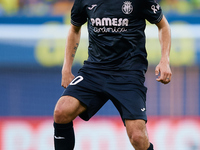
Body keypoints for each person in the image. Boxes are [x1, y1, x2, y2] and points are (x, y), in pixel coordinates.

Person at [53, 0, 172, 149]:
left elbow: (163, 26)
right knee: (61, 111)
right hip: (95, 70)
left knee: (137, 137)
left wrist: (164, 60)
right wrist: (66, 68)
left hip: (128, 73)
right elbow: (74, 29)